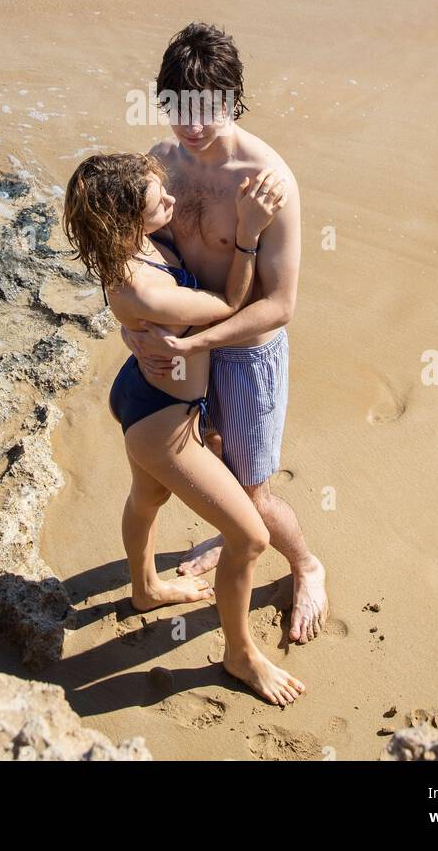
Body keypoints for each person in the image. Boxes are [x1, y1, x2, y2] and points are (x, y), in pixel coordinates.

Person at [63, 151, 306, 706]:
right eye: (159, 202)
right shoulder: (142, 288)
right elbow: (227, 303)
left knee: (147, 498)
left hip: (143, 392)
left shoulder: (132, 245)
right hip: (161, 420)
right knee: (250, 538)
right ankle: (239, 654)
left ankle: (145, 588)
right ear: (125, 221)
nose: (171, 204)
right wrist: (247, 234)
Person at [121, 22, 328, 644]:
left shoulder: (266, 180)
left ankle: (306, 566)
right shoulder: (161, 163)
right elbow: (138, 257)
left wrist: (195, 343)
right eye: (176, 108)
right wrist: (136, 330)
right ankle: (227, 531)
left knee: (254, 494)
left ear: (233, 99)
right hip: (187, 355)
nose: (190, 125)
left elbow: (281, 306)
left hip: (244, 359)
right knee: (209, 466)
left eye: (206, 109)